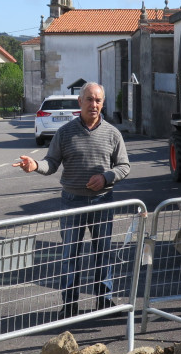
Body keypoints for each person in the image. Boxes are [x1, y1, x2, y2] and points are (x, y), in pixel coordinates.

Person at [14, 82, 130, 319]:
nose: (93, 104)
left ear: (103, 103)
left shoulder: (113, 133)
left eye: (98, 100)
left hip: (102, 202)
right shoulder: (65, 133)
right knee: (70, 256)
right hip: (72, 202)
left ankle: (104, 302)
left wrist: (107, 176)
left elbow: (124, 166)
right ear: (80, 102)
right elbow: (51, 163)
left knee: (103, 253)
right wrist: (35, 165)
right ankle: (70, 306)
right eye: (89, 99)